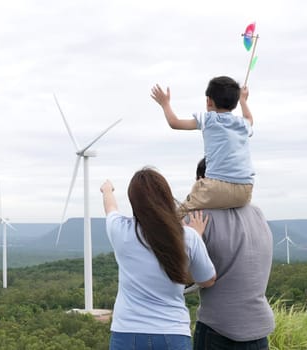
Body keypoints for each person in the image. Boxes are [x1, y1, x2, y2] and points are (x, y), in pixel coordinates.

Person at [101, 167, 216, 350]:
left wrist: (107, 190)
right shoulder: (188, 237)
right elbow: (208, 279)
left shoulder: (120, 230)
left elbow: (111, 208)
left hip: (127, 333)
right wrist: (197, 237)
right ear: (166, 197)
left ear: (134, 202)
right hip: (172, 334)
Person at [185, 159, 275, 350]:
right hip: (258, 328)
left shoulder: (198, 217)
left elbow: (184, 278)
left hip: (217, 328)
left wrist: (194, 238)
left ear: (202, 181)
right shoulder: (258, 214)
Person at [150, 76, 255, 216]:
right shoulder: (242, 124)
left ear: (209, 101)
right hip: (245, 190)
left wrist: (165, 104)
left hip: (217, 187)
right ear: (235, 103)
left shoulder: (209, 119)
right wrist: (243, 101)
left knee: (179, 215)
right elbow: (249, 118)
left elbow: (174, 123)